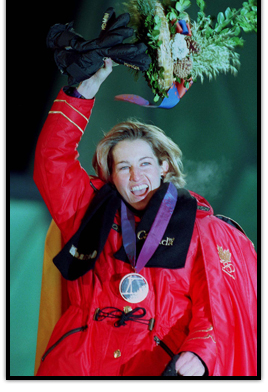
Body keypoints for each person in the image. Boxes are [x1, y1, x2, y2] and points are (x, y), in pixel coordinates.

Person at [33, 58, 257, 377]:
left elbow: (215, 305)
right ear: (111, 175)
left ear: (164, 166)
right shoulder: (86, 210)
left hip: (155, 364)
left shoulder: (198, 228)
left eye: (145, 164)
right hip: (76, 366)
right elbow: (51, 160)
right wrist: (81, 92)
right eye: (123, 167)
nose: (136, 176)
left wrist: (199, 353)